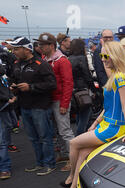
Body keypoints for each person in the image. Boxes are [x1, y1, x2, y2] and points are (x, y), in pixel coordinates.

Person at [60, 41, 125, 188]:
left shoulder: (120, 77)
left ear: (115, 56)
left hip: (113, 127)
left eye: (105, 55)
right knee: (83, 152)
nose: (102, 59)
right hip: (107, 124)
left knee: (73, 143)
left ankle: (72, 177)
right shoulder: (115, 75)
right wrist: (95, 124)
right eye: (101, 55)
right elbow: (108, 107)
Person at [7, 37, 57, 175]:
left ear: (26, 49)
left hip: (40, 107)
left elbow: (52, 84)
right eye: (13, 49)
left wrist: (31, 87)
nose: (14, 51)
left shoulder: (41, 64)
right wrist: (14, 87)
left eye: (16, 49)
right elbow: (14, 79)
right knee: (33, 138)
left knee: (45, 137)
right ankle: (40, 163)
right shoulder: (16, 63)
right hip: (25, 106)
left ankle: (49, 164)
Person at [37, 32, 75, 172]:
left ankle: (74, 159)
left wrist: (64, 104)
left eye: (43, 45)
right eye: (39, 44)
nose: (40, 47)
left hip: (59, 100)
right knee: (57, 131)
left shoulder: (62, 60)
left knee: (65, 131)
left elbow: (68, 83)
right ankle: (65, 155)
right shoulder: (44, 59)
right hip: (49, 100)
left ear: (51, 45)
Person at [68, 39, 96, 136]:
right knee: (85, 117)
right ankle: (80, 139)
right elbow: (87, 76)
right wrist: (94, 90)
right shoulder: (81, 58)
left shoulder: (69, 58)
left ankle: (86, 136)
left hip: (73, 91)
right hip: (82, 90)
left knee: (80, 116)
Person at [0, 63, 13, 179]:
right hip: (4, 105)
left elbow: (2, 72)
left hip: (3, 107)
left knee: (2, 140)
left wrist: (8, 97)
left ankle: (4, 168)